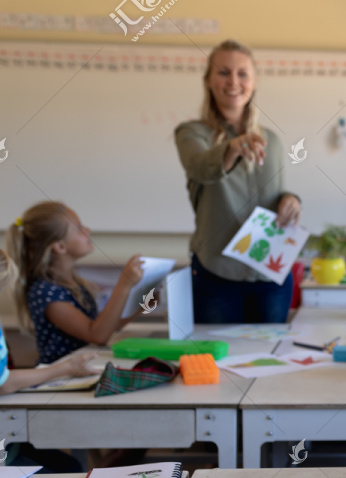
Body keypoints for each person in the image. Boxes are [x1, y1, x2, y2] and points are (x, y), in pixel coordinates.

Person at [175, 39, 302, 324]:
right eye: (223, 72)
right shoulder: (191, 133)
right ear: (208, 80)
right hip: (218, 272)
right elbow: (199, 168)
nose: (233, 81)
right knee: (219, 363)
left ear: (254, 82)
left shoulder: (272, 139)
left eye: (242, 73)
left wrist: (291, 200)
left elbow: (272, 193)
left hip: (270, 270)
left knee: (270, 362)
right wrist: (232, 148)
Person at [7, 201, 145, 365]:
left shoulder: (73, 284)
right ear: (60, 246)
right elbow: (97, 335)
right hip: (59, 378)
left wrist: (141, 307)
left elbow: (106, 328)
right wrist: (124, 285)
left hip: (82, 369)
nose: (88, 230)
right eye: (79, 228)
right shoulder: (45, 292)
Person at [0, 248, 99, 472]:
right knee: (69, 470)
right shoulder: (46, 292)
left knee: (69, 465)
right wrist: (66, 368)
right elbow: (3, 383)